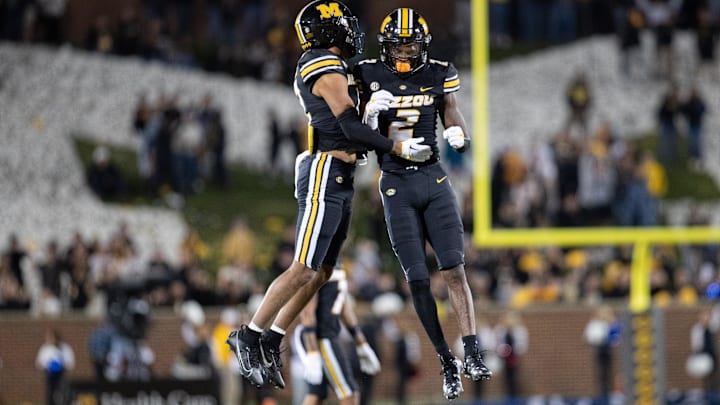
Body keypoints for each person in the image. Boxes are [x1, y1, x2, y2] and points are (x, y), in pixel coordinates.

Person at [226, 0, 432, 390]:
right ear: (326, 30)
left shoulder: (337, 67)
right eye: (343, 25)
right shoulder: (319, 62)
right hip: (324, 169)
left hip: (341, 172)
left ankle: (273, 337)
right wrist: (395, 146)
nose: (351, 30)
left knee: (322, 272)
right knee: (304, 266)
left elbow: (356, 124)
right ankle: (250, 335)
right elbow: (350, 127)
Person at [352, 8, 492, 401]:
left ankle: (473, 350)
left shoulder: (437, 72)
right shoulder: (367, 74)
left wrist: (457, 132)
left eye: (410, 45)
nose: (403, 52)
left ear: (423, 46)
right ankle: (445, 360)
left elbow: (450, 110)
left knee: (453, 269)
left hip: (433, 177)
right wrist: (368, 113)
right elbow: (355, 136)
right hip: (395, 181)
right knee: (416, 279)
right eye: (397, 45)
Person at [294, 266, 381, 404]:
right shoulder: (317, 262)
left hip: (325, 336)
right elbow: (307, 312)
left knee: (317, 393)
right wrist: (312, 351)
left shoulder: (336, 263)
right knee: (350, 392)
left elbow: (343, 306)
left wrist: (362, 343)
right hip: (319, 337)